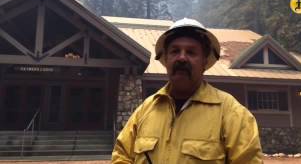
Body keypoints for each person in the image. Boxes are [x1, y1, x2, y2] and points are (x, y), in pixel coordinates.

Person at [112, 18, 263, 164]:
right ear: (166, 60)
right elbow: (122, 156)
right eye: (175, 51)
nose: (182, 58)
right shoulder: (145, 110)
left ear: (204, 61)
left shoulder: (231, 113)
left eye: (191, 52)